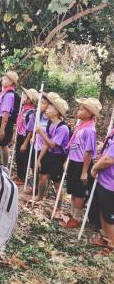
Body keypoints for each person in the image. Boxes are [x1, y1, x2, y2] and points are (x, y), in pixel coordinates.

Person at [61, 98, 101, 228]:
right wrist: (68, 160)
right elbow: (74, 145)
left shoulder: (90, 130)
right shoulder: (80, 125)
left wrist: (84, 172)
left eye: (82, 109)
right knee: (73, 188)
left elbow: (88, 152)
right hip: (74, 161)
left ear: (89, 113)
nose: (79, 110)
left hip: (82, 164)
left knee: (79, 192)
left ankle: (77, 217)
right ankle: (72, 212)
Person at [35, 95, 70, 203]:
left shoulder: (63, 128)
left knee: (57, 182)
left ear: (57, 112)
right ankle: (39, 197)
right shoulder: (50, 123)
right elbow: (46, 144)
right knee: (42, 176)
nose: (47, 109)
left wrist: (41, 132)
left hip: (58, 156)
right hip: (49, 154)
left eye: (50, 108)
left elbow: (52, 144)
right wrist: (39, 159)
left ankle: (58, 206)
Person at [91, 126, 114, 255]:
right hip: (104, 180)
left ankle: (112, 245)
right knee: (103, 210)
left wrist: (94, 168)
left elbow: (109, 159)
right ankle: (106, 237)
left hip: (111, 183)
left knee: (110, 216)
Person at [0, 71, 19, 167]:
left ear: (11, 82)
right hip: (0, 119)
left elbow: (6, 112)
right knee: (0, 143)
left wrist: (2, 128)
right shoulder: (4, 92)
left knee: (3, 145)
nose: (4, 79)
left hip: (4, 121)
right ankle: (0, 162)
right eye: (4, 77)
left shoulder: (9, 95)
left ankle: (4, 165)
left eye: (7, 78)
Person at [13, 88, 38, 186]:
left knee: (23, 157)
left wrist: (25, 143)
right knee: (18, 156)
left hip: (25, 138)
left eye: (25, 96)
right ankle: (19, 175)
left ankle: (22, 177)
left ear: (29, 99)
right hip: (20, 135)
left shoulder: (31, 114)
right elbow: (19, 125)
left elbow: (30, 130)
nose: (23, 97)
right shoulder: (24, 109)